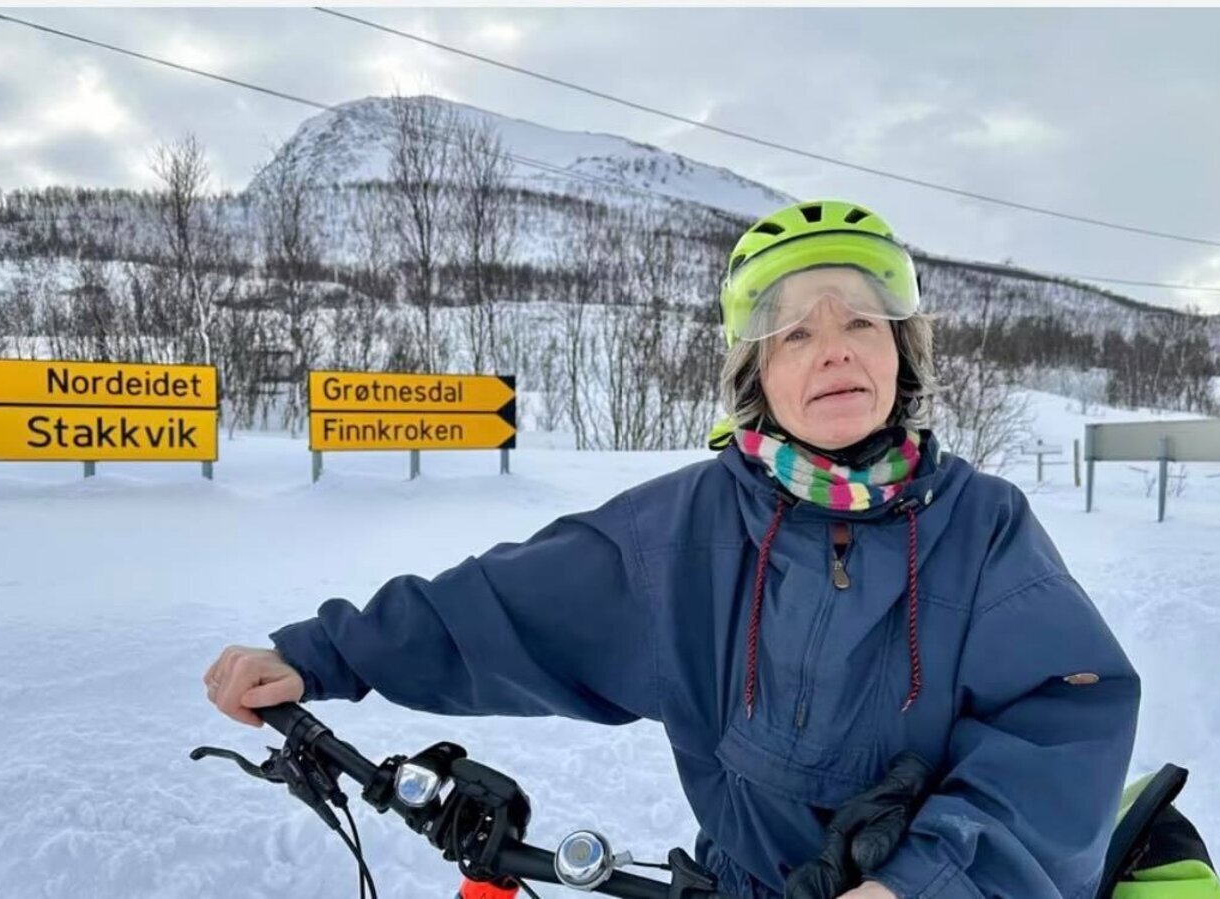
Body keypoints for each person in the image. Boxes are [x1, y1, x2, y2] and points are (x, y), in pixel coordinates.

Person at [205, 199, 1141, 899]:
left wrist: (923, 880)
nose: (834, 351)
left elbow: (1064, 719)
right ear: (757, 376)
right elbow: (501, 610)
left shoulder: (982, 525)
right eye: (795, 334)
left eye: (861, 323)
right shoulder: (686, 529)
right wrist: (314, 658)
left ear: (901, 354)